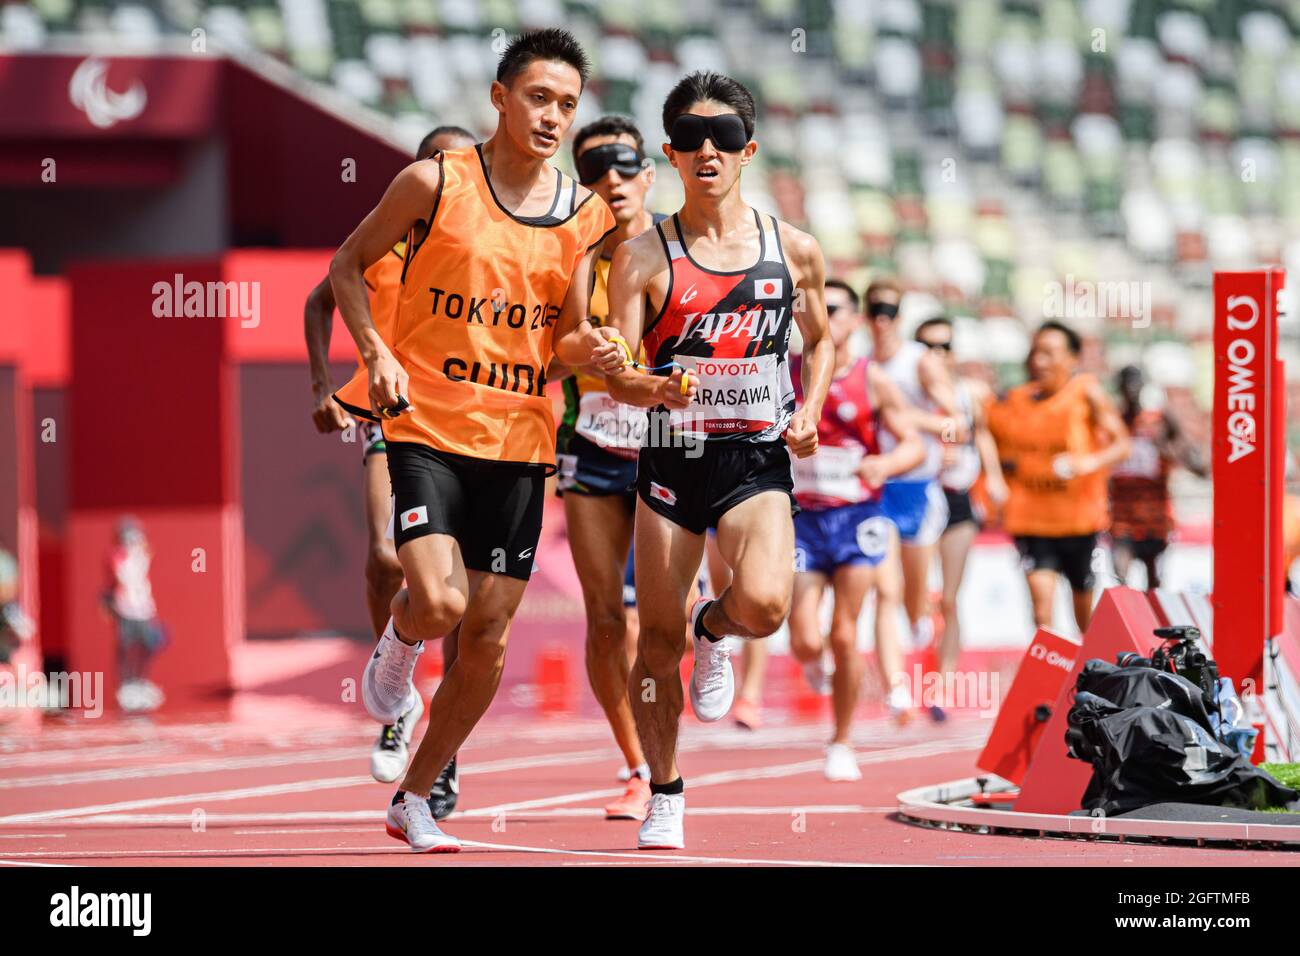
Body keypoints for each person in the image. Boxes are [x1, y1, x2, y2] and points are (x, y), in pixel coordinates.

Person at [329, 29, 622, 853]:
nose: (553, 116)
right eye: (539, 97)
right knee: (440, 602)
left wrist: (591, 349)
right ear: (500, 97)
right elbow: (347, 266)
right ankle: (399, 642)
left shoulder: (585, 215)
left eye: (567, 104)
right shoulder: (433, 182)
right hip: (425, 428)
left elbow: (564, 338)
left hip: (522, 443)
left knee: (488, 636)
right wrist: (377, 355)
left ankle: (414, 796)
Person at [603, 71, 834, 850]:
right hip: (671, 454)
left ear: (749, 150)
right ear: (670, 155)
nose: (710, 150)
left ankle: (717, 625)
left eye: (726, 138)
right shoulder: (641, 256)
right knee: (652, 646)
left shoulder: (792, 249)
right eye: (693, 140)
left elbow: (823, 340)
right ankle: (665, 791)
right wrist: (650, 385)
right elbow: (616, 373)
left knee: (765, 605)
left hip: (753, 455)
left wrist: (809, 408)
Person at [304, 124, 475, 810]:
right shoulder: (387, 233)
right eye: (436, 160)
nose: (447, 171)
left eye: (459, 161)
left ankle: (446, 746)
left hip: (475, 426)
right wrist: (322, 385)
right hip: (393, 415)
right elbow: (321, 298)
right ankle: (398, 694)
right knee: (383, 559)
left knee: (463, 594)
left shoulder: (485, 241)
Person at [551, 114, 661, 820]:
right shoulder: (573, 255)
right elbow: (554, 346)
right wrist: (582, 349)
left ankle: (672, 714)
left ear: (649, 174)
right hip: (590, 443)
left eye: (624, 167)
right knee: (603, 619)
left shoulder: (679, 248)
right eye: (593, 171)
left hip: (669, 445)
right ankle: (639, 766)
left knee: (665, 619)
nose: (611, 182)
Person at [787, 279, 923, 780]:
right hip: (803, 518)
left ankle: (841, 740)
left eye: (834, 308)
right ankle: (814, 662)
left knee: (844, 632)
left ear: (853, 320)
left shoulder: (872, 379)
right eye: (807, 306)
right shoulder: (785, 374)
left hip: (857, 520)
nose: (820, 315)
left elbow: (914, 445)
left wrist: (884, 465)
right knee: (802, 633)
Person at [863, 278, 965, 719]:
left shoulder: (918, 362)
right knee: (884, 591)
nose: (882, 321)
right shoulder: (861, 364)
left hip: (919, 492)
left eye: (889, 312)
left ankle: (925, 615)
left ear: (899, 318)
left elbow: (955, 426)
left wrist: (909, 418)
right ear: (866, 318)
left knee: (910, 600)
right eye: (875, 312)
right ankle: (896, 691)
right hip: (877, 489)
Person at [986, 320, 1130, 633]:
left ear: (1072, 358)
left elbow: (1122, 445)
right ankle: (1050, 680)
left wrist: (1086, 463)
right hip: (1032, 522)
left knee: (1085, 619)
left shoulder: (1086, 392)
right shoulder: (1015, 399)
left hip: (1079, 522)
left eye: (1049, 353)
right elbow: (983, 430)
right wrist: (996, 475)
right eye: (1035, 352)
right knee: (1041, 612)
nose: (1039, 361)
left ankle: (1091, 678)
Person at [914, 316, 1008, 720]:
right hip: (918, 498)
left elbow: (982, 433)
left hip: (957, 499)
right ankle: (906, 680)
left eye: (944, 347)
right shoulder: (906, 391)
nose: (937, 355)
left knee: (950, 598)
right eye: (928, 346)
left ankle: (942, 686)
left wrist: (996, 477)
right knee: (918, 599)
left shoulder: (971, 393)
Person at [1108, 365, 1207, 589]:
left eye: (1135, 386)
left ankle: (1150, 620)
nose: (1130, 391)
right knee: (1120, 575)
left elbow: (1190, 456)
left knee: (1154, 581)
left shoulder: (1158, 420)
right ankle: (1125, 618)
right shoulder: (1113, 422)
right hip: (1122, 516)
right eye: (1125, 386)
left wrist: (1166, 448)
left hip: (1156, 517)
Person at [103, 518, 167, 713]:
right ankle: (126, 683)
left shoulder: (142, 555)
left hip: (143, 609)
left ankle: (141, 681)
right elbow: (122, 575)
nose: (133, 541)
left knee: (146, 644)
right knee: (126, 645)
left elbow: (145, 561)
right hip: (125, 608)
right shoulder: (118, 556)